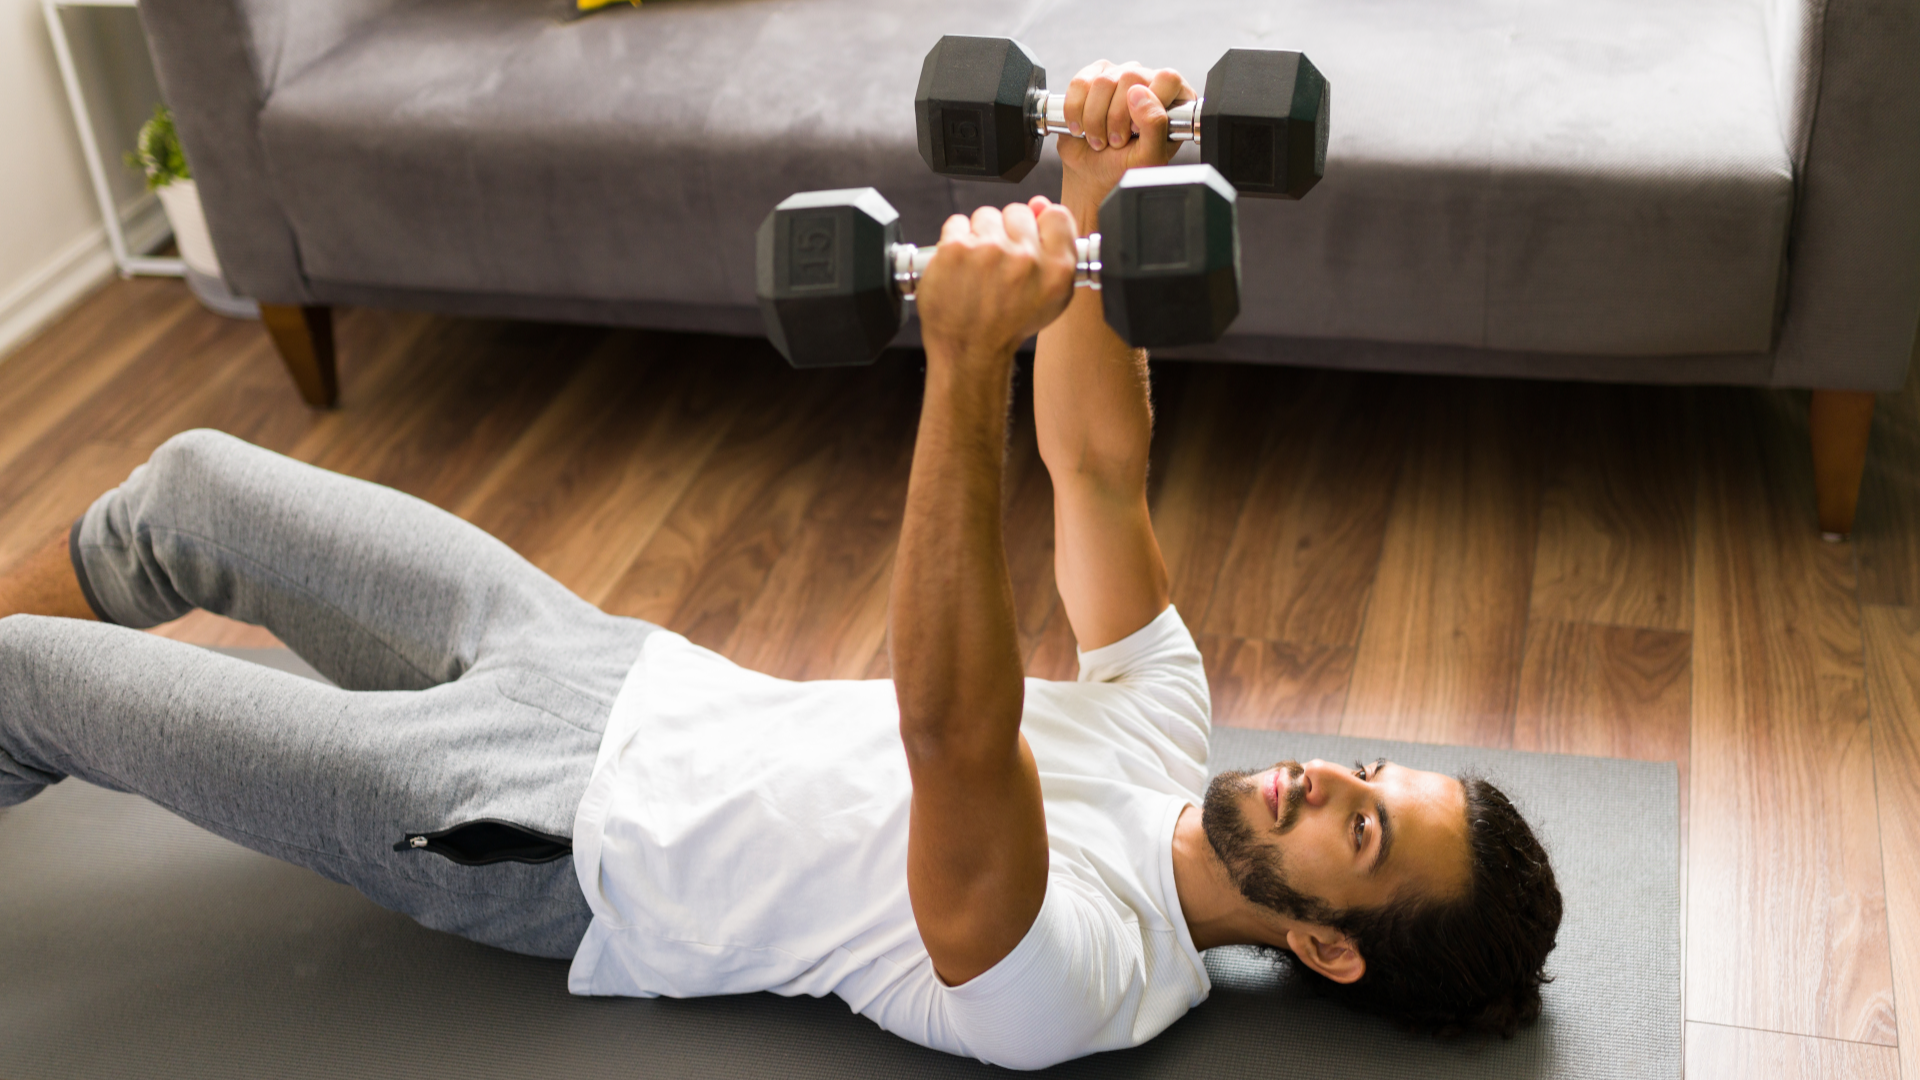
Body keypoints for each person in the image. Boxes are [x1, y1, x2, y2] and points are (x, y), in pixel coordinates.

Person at [0, 61, 1561, 1069]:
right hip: (613, 670)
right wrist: (1095, 206)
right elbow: (1095, 466)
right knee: (188, 488)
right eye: (1366, 773)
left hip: (534, 833)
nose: (1319, 785)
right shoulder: (1170, 731)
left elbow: (954, 746)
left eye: (1361, 833)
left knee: (25, 688)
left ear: (1327, 946)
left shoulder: (1088, 978)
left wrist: (958, 363)